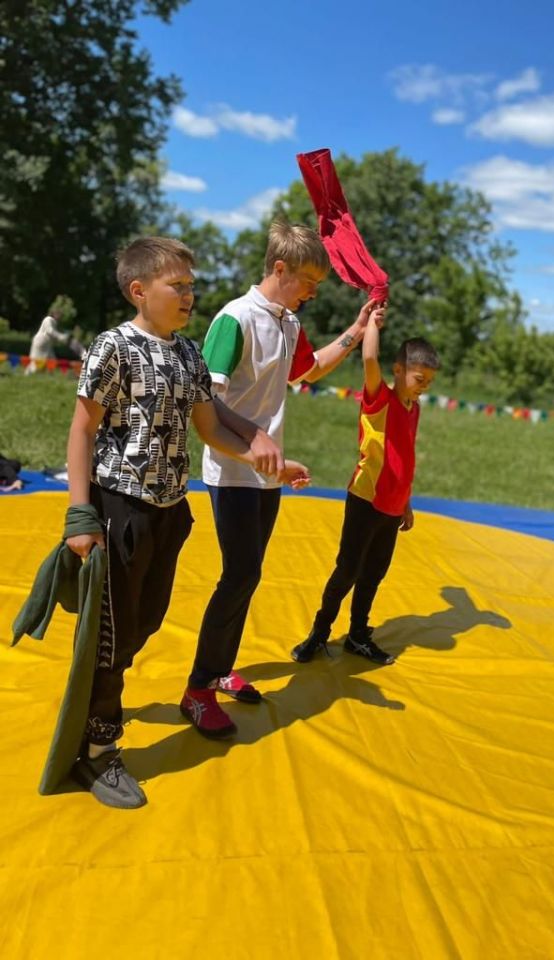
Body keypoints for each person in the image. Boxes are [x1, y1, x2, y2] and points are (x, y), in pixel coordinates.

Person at [64, 236, 309, 809]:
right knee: (114, 634)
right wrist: (80, 514)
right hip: (120, 507)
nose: (190, 296)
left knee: (145, 623)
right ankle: (97, 752)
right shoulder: (113, 348)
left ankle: (103, 695)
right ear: (139, 290)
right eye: (179, 286)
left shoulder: (188, 354)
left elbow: (211, 428)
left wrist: (264, 457)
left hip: (171, 511)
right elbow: (81, 429)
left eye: (192, 286)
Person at [182, 220, 381, 737]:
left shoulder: (288, 322)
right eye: (309, 282)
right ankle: (198, 689)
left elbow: (308, 370)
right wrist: (258, 452)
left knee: (249, 576)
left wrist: (356, 331)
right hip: (232, 469)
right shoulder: (234, 319)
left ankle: (221, 669)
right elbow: (208, 402)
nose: (314, 293)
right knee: (240, 575)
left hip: (265, 473)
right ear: (279, 268)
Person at [291, 311, 440, 666]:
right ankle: (319, 633)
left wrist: (406, 502)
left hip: (391, 507)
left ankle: (358, 635)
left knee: (373, 574)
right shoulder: (379, 400)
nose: (424, 387)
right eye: (420, 378)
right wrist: (372, 320)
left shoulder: (412, 407)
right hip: (365, 500)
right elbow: (369, 357)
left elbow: (405, 457)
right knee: (347, 571)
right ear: (399, 370)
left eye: (429, 382)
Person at [26, 307, 69, 373]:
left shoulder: (54, 322)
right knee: (36, 361)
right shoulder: (48, 319)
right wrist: (61, 336)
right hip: (40, 343)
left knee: (52, 360)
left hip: (46, 345)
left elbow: (53, 336)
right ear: (54, 314)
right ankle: (29, 373)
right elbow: (50, 331)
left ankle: (49, 375)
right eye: (58, 314)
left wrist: (62, 339)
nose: (60, 317)